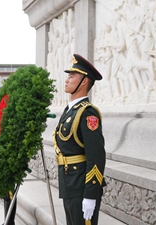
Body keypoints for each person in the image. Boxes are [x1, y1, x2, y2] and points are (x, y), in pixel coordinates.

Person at [53, 54, 106, 225]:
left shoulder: (87, 113)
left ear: (84, 81)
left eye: (71, 76)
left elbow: (96, 157)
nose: (66, 80)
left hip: (81, 185)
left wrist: (90, 195)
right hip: (70, 183)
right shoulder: (70, 110)